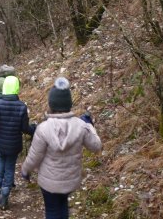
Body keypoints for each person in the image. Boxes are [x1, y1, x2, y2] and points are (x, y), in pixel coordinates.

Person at [21, 77, 102, 219]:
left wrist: (25, 170)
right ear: (69, 104)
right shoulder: (80, 126)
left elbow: (34, 156)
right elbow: (96, 146)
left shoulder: (43, 128)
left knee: (52, 210)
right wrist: (89, 126)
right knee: (63, 206)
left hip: (49, 182)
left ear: (51, 104)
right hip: (70, 180)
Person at [0, 75, 36, 210]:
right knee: (9, 170)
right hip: (14, 145)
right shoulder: (22, 107)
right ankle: (4, 200)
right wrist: (34, 129)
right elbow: (25, 128)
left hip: (0, 144)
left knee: (0, 165)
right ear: (16, 89)